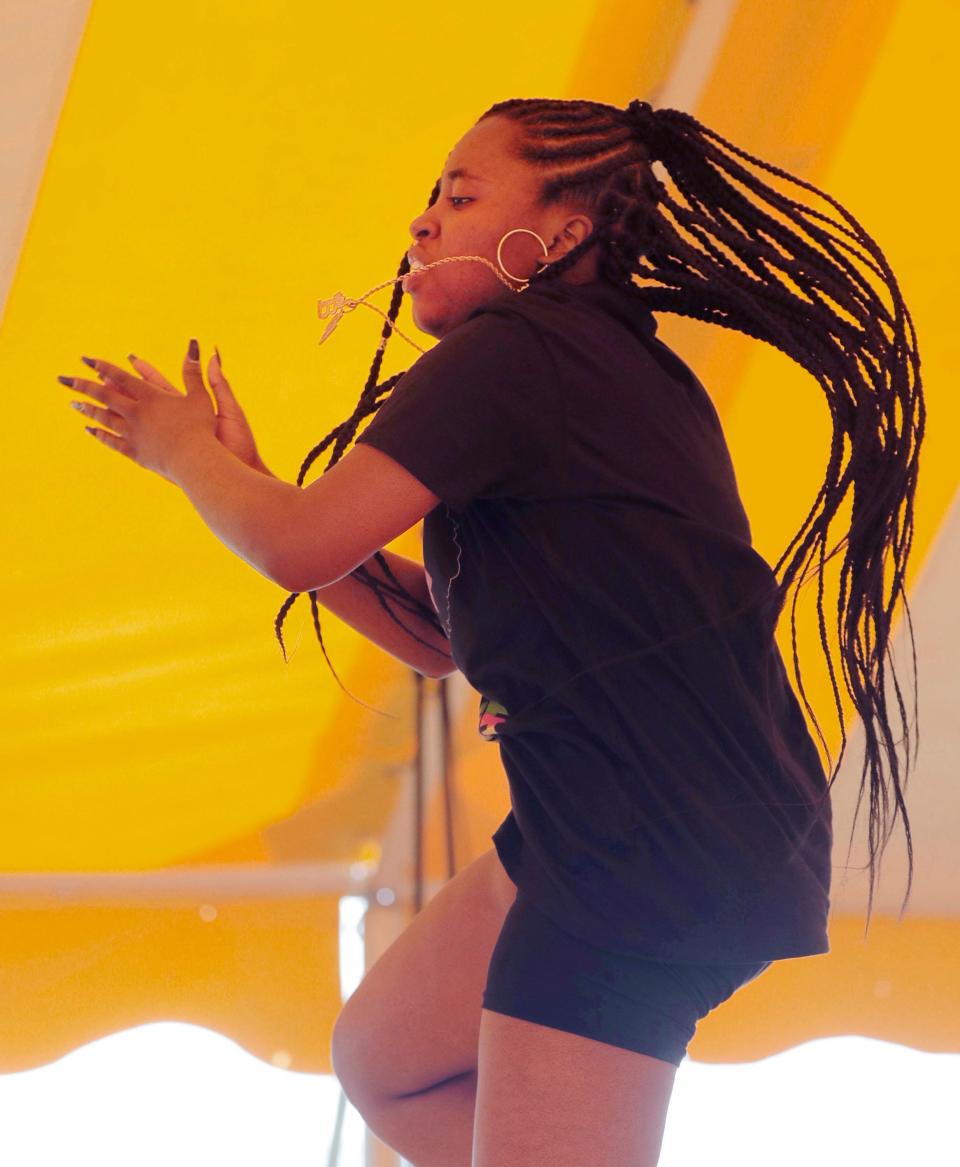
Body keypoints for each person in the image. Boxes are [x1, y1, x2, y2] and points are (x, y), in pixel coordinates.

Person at [65, 97, 923, 1167]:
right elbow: (437, 637)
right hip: (659, 823)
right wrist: (253, 483)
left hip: (642, 842)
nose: (421, 222)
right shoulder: (603, 373)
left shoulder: (517, 354)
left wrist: (183, 451)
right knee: (387, 1059)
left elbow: (296, 546)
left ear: (563, 234)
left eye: (460, 195)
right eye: (429, 197)